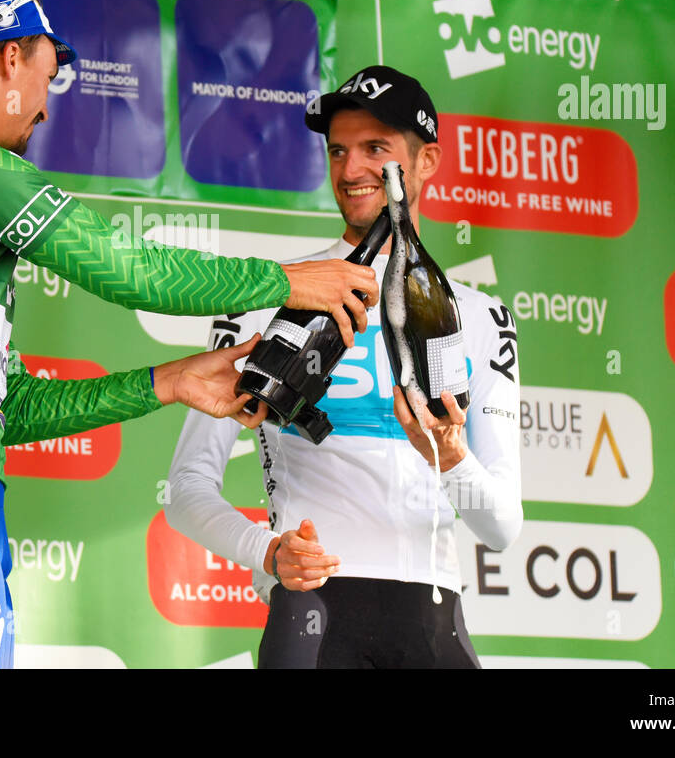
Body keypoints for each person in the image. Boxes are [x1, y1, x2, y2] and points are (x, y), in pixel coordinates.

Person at [0, 0, 379, 668]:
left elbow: (5, 406)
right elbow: (132, 270)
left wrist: (169, 380)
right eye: (50, 74)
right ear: (9, 57)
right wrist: (289, 278)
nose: (48, 109)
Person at [165, 64, 523, 668]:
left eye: (374, 149)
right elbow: (185, 489)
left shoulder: (482, 318)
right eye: (338, 150)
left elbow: (502, 528)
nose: (351, 170)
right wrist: (269, 551)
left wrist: (453, 456)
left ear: (426, 160)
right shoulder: (267, 298)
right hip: (313, 620)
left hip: (436, 626)